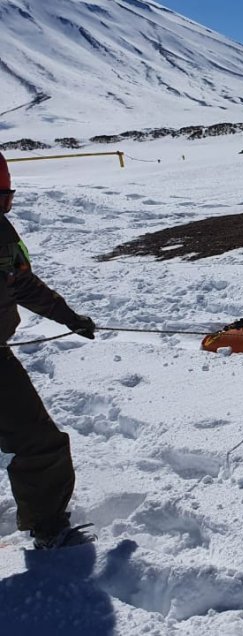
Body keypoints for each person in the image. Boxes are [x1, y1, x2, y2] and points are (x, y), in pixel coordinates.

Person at [0, 151, 97, 548]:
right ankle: (48, 527)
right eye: (2, 196)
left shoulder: (2, 233)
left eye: (7, 196)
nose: (6, 204)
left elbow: (22, 283)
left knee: (38, 439)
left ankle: (47, 524)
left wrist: (69, 317)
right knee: (37, 439)